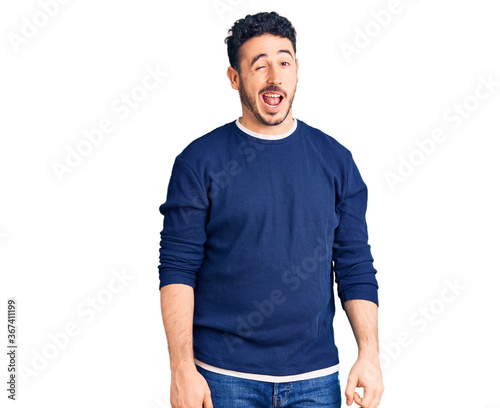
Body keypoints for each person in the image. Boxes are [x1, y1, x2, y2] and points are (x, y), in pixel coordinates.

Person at [158, 11, 384, 408]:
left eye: (284, 62)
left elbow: (354, 264)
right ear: (234, 78)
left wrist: (369, 353)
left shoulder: (336, 161)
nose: (274, 76)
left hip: (316, 382)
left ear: (297, 71)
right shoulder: (199, 162)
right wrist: (181, 369)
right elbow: (178, 267)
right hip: (221, 380)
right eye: (259, 65)